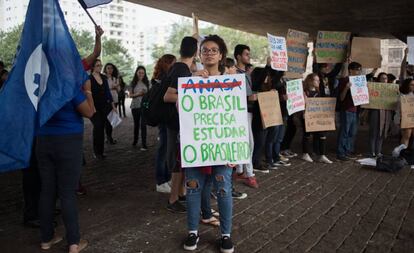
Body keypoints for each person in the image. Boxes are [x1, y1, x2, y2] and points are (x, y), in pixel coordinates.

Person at [182, 34, 234, 253]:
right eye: (205, 50)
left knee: (223, 189)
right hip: (197, 146)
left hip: (223, 148)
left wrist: (236, 150)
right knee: (193, 190)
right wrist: (193, 83)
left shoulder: (233, 82)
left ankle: (226, 235)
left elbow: (237, 117)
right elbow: (182, 114)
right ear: (199, 54)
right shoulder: (191, 81)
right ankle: (193, 232)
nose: (209, 53)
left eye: (214, 50)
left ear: (221, 55)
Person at [37, 75, 94, 253]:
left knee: (47, 190)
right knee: (67, 193)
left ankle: (46, 239)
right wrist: (88, 90)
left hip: (43, 140)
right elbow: (90, 112)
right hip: (68, 141)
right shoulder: (69, 86)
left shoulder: (39, 86)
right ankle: (74, 243)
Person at [164, 37, 199, 213]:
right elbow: (168, 96)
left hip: (177, 122)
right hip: (176, 123)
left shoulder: (182, 68)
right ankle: (172, 199)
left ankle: (180, 193)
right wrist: (190, 99)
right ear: (196, 51)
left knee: (181, 160)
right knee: (178, 161)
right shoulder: (181, 69)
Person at [233, 44, 258, 189]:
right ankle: (249, 174)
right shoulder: (234, 73)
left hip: (247, 111)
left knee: (245, 141)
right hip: (240, 112)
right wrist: (250, 97)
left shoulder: (247, 73)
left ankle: (241, 170)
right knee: (248, 142)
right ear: (238, 56)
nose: (249, 56)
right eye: (246, 54)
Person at [152, 54, 177, 193]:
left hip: (165, 118)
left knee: (167, 149)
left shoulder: (160, 78)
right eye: (174, 63)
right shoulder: (164, 79)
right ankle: (161, 181)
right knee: (163, 150)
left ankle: (166, 179)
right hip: (164, 118)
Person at [301, 73, 333, 163]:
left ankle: (322, 155)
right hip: (306, 115)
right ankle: (305, 153)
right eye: (316, 80)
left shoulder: (318, 91)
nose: (318, 82)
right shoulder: (305, 92)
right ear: (310, 81)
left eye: (319, 80)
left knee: (322, 134)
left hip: (316, 117)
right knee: (307, 135)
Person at [336, 62, 363, 161]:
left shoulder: (360, 81)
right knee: (345, 132)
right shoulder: (344, 80)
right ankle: (341, 153)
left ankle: (348, 151)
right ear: (351, 70)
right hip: (347, 109)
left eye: (360, 70)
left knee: (352, 132)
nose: (359, 72)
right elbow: (341, 98)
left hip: (355, 110)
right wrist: (346, 88)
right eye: (357, 69)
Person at [90, 59, 116, 160]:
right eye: (97, 65)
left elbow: (108, 93)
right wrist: (91, 107)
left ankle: (100, 152)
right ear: (93, 67)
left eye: (100, 65)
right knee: (98, 127)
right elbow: (88, 94)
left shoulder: (104, 77)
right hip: (94, 107)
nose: (100, 67)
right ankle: (96, 152)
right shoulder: (89, 78)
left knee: (103, 127)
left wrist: (113, 106)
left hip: (105, 106)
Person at [367, 72, 393, 157]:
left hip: (386, 112)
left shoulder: (390, 89)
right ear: (379, 79)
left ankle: (378, 151)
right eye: (382, 78)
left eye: (385, 78)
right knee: (374, 132)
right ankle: (372, 151)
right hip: (376, 111)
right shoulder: (374, 88)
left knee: (382, 132)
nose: (384, 80)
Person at [130, 66, 149, 150]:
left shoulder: (147, 83)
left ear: (144, 74)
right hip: (135, 106)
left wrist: (146, 94)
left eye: (142, 73)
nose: (141, 74)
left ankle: (144, 144)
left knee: (143, 125)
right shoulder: (133, 83)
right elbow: (130, 95)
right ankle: (135, 140)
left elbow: (150, 95)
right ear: (136, 73)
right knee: (136, 125)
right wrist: (139, 94)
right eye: (139, 72)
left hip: (144, 106)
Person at [395, 78, 414, 147]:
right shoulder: (401, 95)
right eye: (411, 85)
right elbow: (397, 109)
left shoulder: (412, 94)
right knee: (406, 136)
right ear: (407, 85)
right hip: (404, 119)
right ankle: (402, 153)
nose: (413, 86)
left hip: (412, 118)